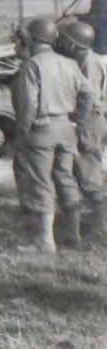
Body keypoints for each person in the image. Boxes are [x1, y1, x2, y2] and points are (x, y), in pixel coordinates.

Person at [11, 16, 93, 252]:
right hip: (66, 129)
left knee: (41, 182)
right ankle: (74, 236)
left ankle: (45, 241)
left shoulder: (32, 65)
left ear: (32, 39)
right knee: (65, 178)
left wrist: (23, 132)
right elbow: (88, 93)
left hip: (41, 130)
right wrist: (77, 118)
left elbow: (28, 104)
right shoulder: (70, 64)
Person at [57, 19, 107, 240]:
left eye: (65, 39)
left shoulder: (88, 62)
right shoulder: (84, 58)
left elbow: (90, 96)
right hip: (90, 119)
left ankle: (100, 224)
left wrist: (76, 121)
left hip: (89, 120)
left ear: (74, 44)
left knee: (88, 170)